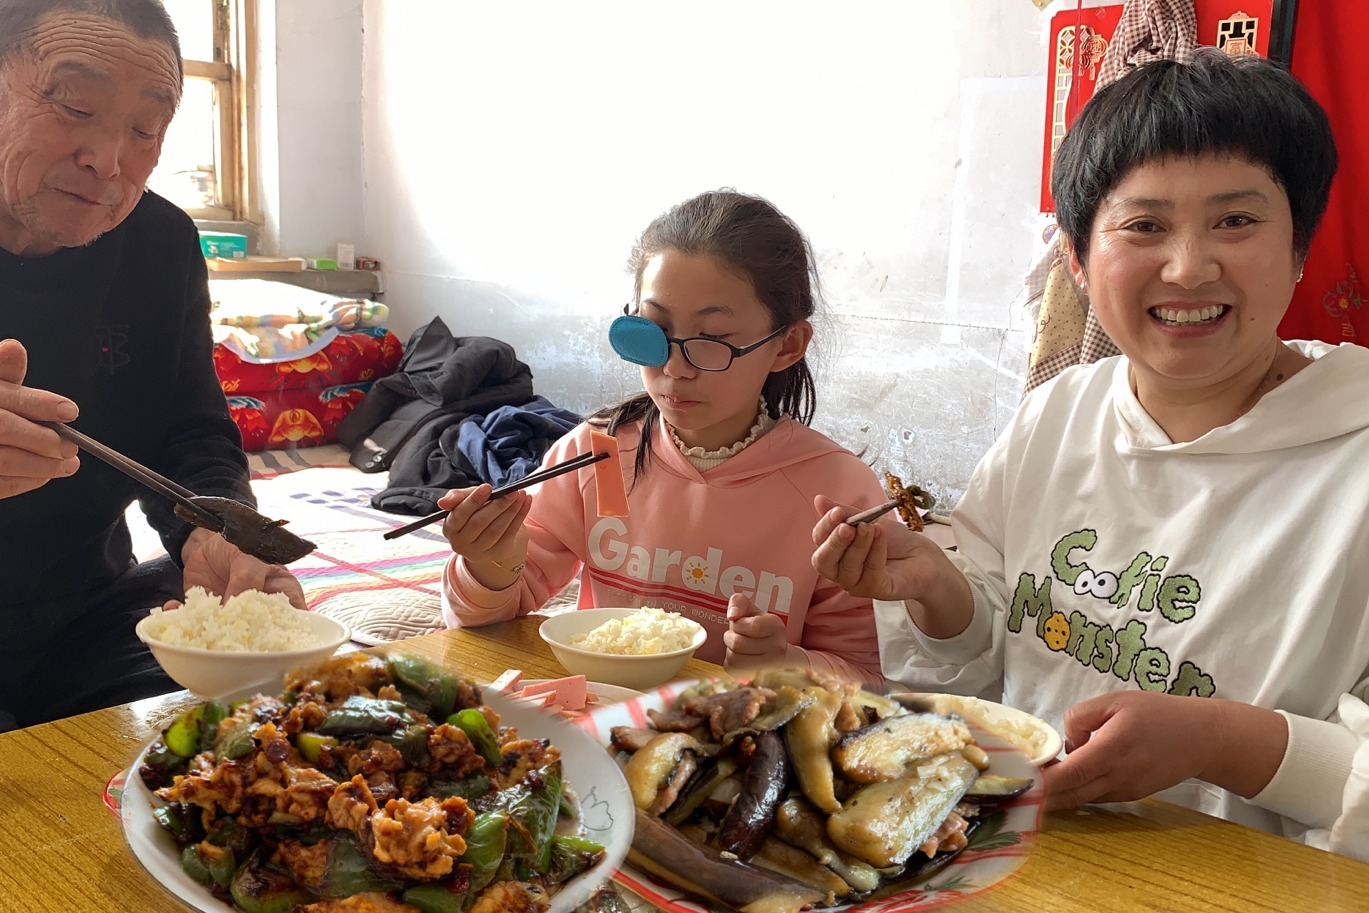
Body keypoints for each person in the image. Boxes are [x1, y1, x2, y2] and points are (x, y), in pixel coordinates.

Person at [813, 51, 1369, 859]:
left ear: (1298, 246)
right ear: (1076, 259)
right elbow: (983, 667)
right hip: (1022, 859)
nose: (1187, 265)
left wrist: (1224, 741)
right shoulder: (1058, 413)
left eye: (1235, 221)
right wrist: (934, 585)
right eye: (1142, 225)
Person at [0, 0, 304, 730]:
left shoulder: (161, 242)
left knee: (236, 738)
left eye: (145, 131)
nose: (108, 160)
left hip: (90, 610)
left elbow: (190, 431)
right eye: (76, 106)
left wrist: (213, 533)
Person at [440, 190, 887, 685]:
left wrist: (789, 666)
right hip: (606, 723)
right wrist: (488, 560)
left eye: (713, 341)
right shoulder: (597, 454)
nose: (674, 369)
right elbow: (486, 621)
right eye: (654, 331)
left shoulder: (837, 493)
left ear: (787, 345)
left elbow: (868, 674)